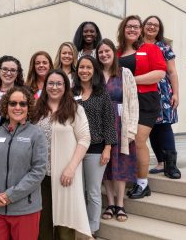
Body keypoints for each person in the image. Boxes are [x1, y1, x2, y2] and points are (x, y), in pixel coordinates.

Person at [0, 86, 48, 240]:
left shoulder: (36, 134)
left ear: (28, 107)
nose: (18, 107)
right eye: (13, 103)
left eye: (22, 104)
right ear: (6, 106)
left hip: (25, 209)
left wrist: (11, 195)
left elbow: (38, 171)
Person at [33, 69, 91, 240]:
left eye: (59, 83)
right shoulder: (36, 110)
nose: (54, 87)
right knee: (42, 223)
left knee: (65, 224)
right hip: (40, 176)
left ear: (66, 87)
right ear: (45, 86)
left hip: (64, 175)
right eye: (51, 83)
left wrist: (71, 168)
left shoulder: (75, 109)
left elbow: (84, 139)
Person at [116, 15, 167, 199]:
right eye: (129, 26)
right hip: (123, 102)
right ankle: (127, 175)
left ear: (141, 30)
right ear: (123, 29)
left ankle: (143, 183)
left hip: (146, 100)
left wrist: (131, 81)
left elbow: (160, 72)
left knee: (138, 140)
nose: (133, 29)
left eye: (136, 27)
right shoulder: (117, 52)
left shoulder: (150, 49)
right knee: (125, 140)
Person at [72, 55, 117, 236]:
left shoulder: (101, 93)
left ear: (94, 71)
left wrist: (108, 147)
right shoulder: (71, 92)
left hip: (96, 149)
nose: (84, 71)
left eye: (88, 67)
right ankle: (78, 224)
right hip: (74, 149)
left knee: (93, 192)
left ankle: (92, 229)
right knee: (77, 190)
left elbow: (109, 121)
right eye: (81, 67)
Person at [96, 39, 138, 222]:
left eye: (107, 51)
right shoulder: (95, 75)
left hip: (121, 124)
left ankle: (120, 204)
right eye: (100, 52)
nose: (104, 54)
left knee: (120, 164)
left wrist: (131, 130)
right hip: (100, 126)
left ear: (114, 53)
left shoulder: (124, 73)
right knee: (105, 165)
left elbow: (133, 101)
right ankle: (110, 203)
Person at [143, 15, 181, 179]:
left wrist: (176, 93)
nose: (152, 27)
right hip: (143, 91)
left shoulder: (164, 47)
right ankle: (160, 162)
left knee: (164, 126)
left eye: (156, 26)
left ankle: (171, 165)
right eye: (149, 24)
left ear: (159, 30)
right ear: (143, 26)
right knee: (149, 126)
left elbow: (172, 72)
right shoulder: (136, 46)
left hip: (163, 92)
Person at [0, 55, 25, 123]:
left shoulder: (24, 94)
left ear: (17, 73)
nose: (8, 73)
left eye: (13, 70)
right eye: (5, 69)